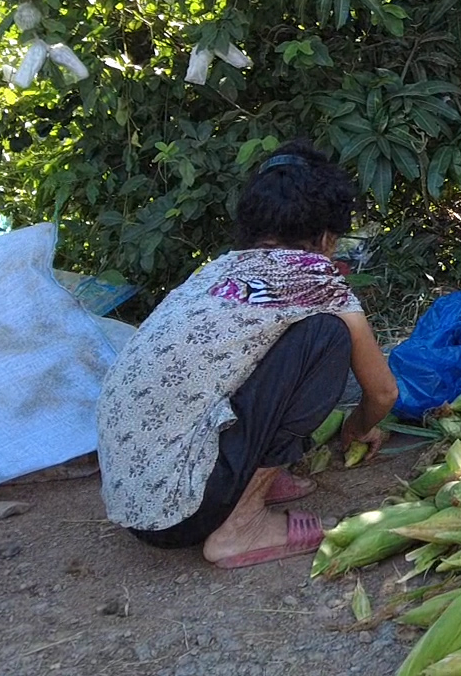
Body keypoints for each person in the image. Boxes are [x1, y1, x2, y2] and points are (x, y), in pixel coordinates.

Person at [96, 140, 398, 568]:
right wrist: (356, 428)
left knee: (291, 343)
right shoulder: (315, 277)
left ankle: (246, 484)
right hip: (179, 513)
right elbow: (383, 393)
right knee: (327, 337)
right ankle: (240, 526)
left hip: (138, 500)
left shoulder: (216, 271)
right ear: (327, 236)